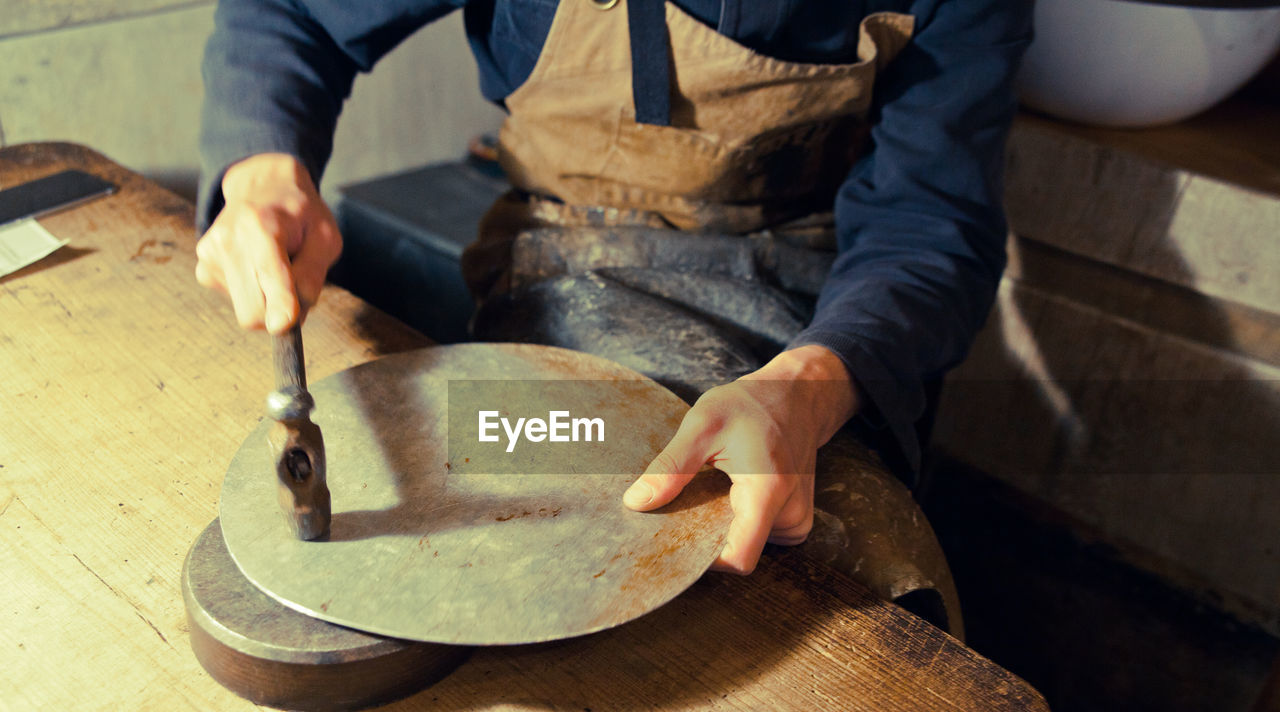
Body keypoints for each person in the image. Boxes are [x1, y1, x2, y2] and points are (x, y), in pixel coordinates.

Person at [195, 0, 1033, 633]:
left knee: (853, 576)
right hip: (570, 258)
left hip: (830, 299)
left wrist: (810, 387)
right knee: (550, 544)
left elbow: (931, 228)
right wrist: (262, 167)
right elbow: (293, 13)